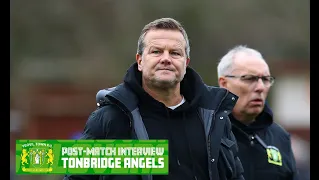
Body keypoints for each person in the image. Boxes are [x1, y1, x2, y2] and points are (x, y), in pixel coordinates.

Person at [64, 17, 244, 180]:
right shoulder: (112, 117)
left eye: (175, 53)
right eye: (156, 52)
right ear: (140, 61)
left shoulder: (214, 116)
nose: (166, 59)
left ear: (186, 62)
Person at [217, 45, 298, 180]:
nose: (260, 87)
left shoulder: (280, 137)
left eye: (266, 79)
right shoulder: (204, 131)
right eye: (249, 78)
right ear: (224, 83)